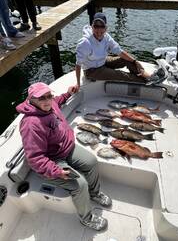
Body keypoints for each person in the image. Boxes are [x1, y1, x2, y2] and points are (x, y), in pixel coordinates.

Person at [16, 82, 111, 231]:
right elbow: (34, 159)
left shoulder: (50, 104)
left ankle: (94, 194)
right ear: (31, 99)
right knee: (80, 185)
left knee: (91, 161)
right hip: (52, 162)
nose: (47, 100)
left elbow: (57, 101)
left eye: (49, 96)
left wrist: (68, 94)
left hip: (66, 148)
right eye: (42, 98)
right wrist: (56, 171)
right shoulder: (30, 125)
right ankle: (87, 218)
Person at [75, 12, 167, 89]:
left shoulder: (106, 37)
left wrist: (135, 61)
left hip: (102, 61)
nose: (99, 29)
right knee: (120, 75)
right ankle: (146, 81)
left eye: (102, 26)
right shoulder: (85, 42)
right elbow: (78, 64)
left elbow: (119, 51)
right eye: (96, 26)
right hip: (92, 70)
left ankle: (148, 76)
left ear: (106, 28)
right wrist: (78, 84)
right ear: (92, 27)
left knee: (127, 58)